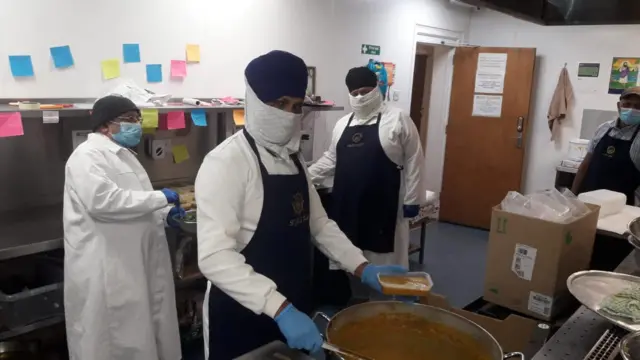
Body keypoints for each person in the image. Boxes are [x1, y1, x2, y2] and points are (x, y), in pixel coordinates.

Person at [195, 50, 407, 360]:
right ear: (254, 100)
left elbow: (319, 225)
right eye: (279, 104)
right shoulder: (226, 162)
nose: (288, 115)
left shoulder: (294, 159)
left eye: (295, 106)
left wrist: (363, 267)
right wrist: (279, 309)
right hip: (243, 310)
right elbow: (214, 258)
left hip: (293, 301)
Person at [63, 95, 184, 360]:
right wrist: (161, 198)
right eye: (129, 120)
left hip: (134, 264)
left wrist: (164, 215)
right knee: (115, 340)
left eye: (137, 119)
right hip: (109, 269)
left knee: (142, 334)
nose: (136, 126)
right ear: (105, 126)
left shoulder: (123, 155)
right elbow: (102, 201)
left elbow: (134, 197)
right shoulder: (86, 157)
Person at [308, 66, 425, 269]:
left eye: (365, 91)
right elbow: (331, 159)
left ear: (376, 88)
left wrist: (413, 199)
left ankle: (386, 299)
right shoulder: (342, 123)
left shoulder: (398, 119)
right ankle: (355, 297)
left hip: (384, 206)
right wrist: (305, 176)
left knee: (384, 262)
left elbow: (415, 159)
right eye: (355, 93)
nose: (360, 97)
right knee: (349, 258)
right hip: (348, 204)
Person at [571, 87, 640, 270]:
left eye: (638, 106)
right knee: (581, 252)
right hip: (589, 205)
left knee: (609, 259)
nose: (632, 109)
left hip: (620, 214)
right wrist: (572, 195)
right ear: (619, 106)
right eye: (627, 104)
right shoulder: (604, 128)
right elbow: (586, 164)